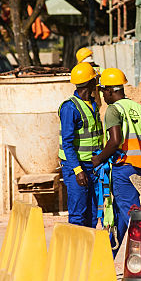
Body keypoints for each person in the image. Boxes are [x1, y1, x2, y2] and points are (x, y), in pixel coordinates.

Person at [92, 68, 141, 251]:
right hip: (140, 169)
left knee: (131, 217)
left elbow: (115, 141)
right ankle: (107, 259)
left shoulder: (113, 110)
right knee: (119, 217)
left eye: (103, 92)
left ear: (109, 90)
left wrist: (97, 160)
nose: (103, 96)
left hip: (123, 170)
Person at [59, 62, 104, 228]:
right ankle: (76, 253)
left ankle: (89, 252)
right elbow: (67, 143)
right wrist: (78, 171)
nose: (96, 82)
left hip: (92, 167)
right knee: (78, 215)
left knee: (92, 214)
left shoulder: (92, 104)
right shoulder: (70, 108)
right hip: (76, 168)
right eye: (94, 79)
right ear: (89, 83)